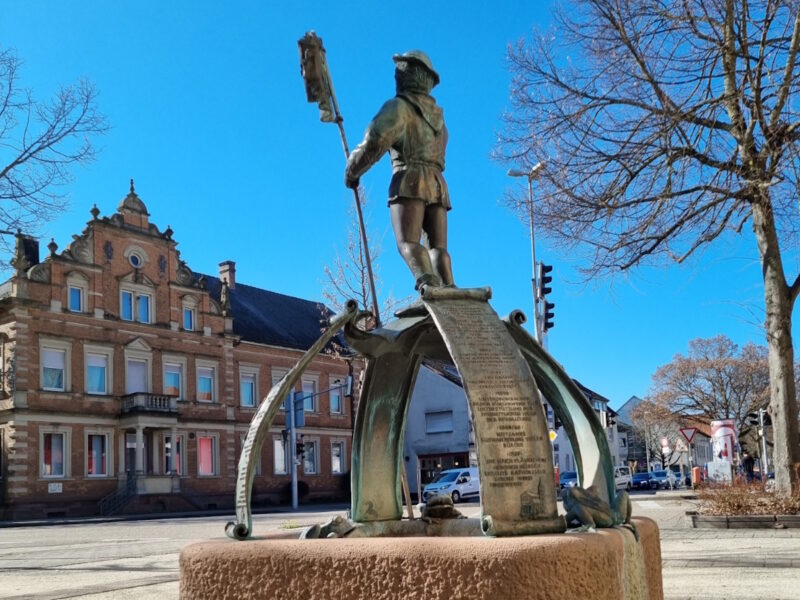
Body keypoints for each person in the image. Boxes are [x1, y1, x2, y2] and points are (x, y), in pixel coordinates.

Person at [345, 50, 454, 293]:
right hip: (438, 184)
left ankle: (429, 284)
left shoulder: (399, 107)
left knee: (408, 242)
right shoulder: (439, 119)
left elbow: (376, 139)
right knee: (438, 247)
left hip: (410, 180)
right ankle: (449, 286)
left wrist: (353, 169)